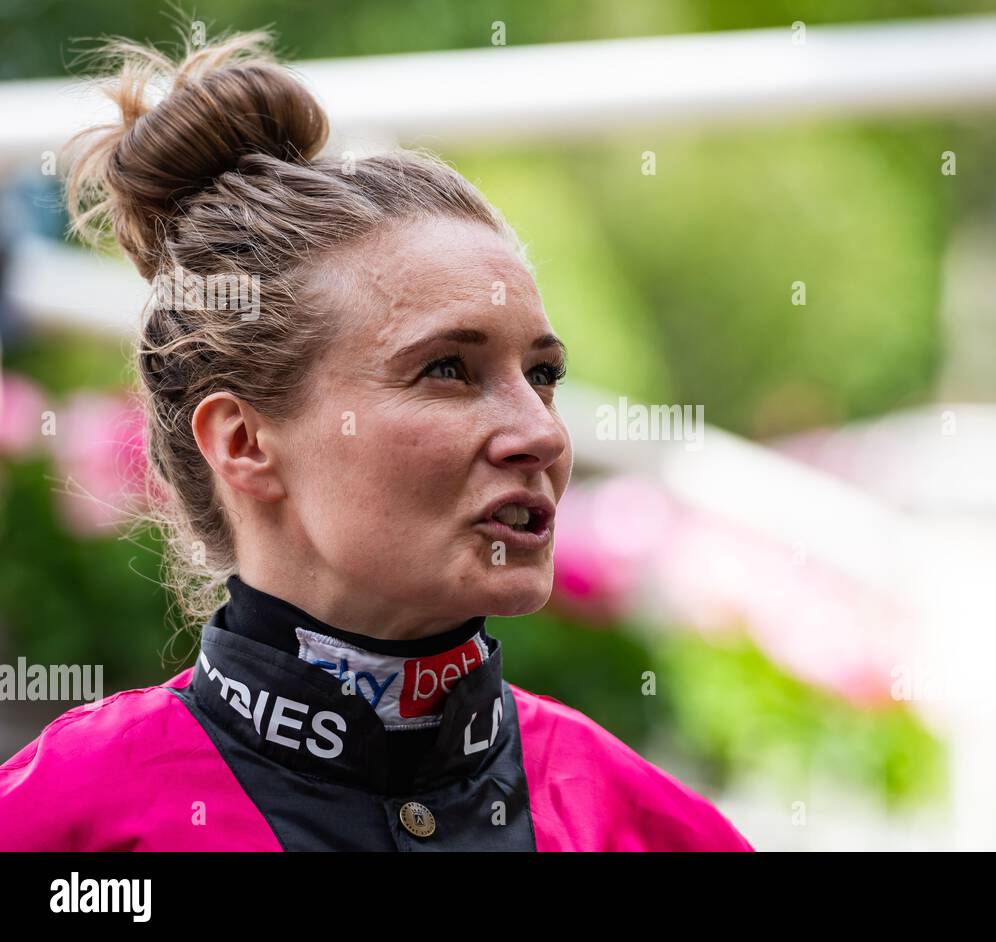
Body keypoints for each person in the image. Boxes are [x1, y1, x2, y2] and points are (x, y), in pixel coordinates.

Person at [0, 31, 753, 852]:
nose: (541, 433)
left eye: (543, 374)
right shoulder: (62, 822)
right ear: (245, 442)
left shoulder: (641, 823)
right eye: (447, 370)